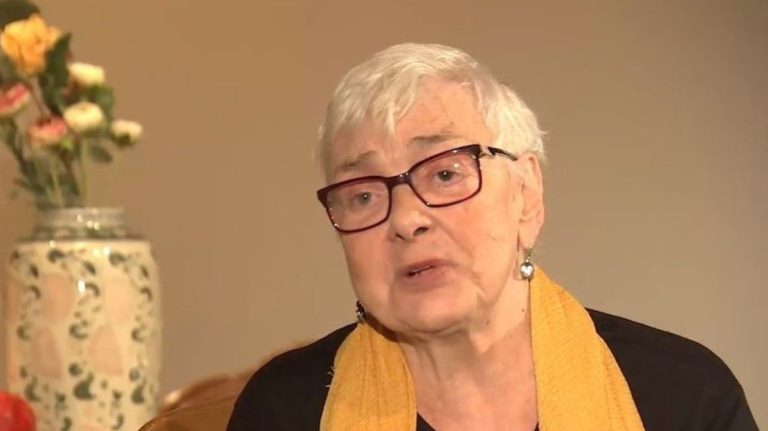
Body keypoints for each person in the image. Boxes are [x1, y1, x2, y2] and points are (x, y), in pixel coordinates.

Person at [227, 43, 757, 430]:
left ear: (526, 194)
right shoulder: (284, 410)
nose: (406, 219)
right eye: (363, 195)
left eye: (444, 173)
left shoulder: (683, 396)